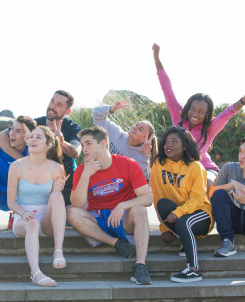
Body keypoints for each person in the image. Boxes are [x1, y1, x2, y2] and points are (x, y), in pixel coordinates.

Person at [152, 43, 245, 193]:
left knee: (206, 181)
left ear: (207, 114)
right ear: (188, 107)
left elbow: (228, 113)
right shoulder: (178, 117)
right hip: (179, 170)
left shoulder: (211, 128)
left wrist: (243, 100)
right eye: (193, 109)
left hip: (205, 169)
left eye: (201, 112)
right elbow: (167, 89)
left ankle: (207, 215)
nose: (195, 114)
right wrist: (157, 58)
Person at [66, 126, 153, 285]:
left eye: (88, 144)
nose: (84, 149)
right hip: (98, 219)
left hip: (123, 219)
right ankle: (116, 243)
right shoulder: (81, 170)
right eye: (82, 145)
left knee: (140, 210)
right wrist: (86, 174)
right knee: (70, 213)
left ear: (103, 143)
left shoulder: (128, 164)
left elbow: (147, 198)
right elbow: (76, 204)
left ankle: (140, 266)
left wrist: (123, 206)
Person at [0, 90, 81, 208]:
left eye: (59, 104)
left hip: (63, 183)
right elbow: (0, 137)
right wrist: (23, 160)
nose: (52, 106)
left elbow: (76, 152)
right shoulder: (35, 123)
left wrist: (61, 142)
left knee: (68, 215)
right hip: (36, 183)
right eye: (52, 101)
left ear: (67, 111)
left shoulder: (72, 127)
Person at [7, 125, 68, 287]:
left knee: (57, 195)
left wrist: (58, 189)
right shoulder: (16, 166)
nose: (32, 139)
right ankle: (35, 273)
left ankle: (58, 251)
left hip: (47, 220)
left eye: (38, 137)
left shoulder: (57, 167)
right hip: (23, 218)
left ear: (49, 145)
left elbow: (55, 200)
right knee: (33, 222)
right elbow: (11, 202)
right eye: (32, 136)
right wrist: (23, 212)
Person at [151, 127, 214, 283]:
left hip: (201, 214)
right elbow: (158, 195)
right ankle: (185, 238)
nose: (168, 145)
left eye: (174, 141)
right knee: (162, 203)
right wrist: (164, 227)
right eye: (166, 142)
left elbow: (198, 199)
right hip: (177, 215)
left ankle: (194, 270)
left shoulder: (196, 167)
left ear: (185, 145)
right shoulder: (159, 164)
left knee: (184, 221)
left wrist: (179, 213)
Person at [92, 100, 158, 180]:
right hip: (98, 179)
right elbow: (96, 113)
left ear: (144, 139)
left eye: (140, 129)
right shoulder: (116, 133)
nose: (135, 127)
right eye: (136, 124)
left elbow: (141, 179)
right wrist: (111, 109)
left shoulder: (141, 156)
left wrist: (145, 155)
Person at [210, 138, 245, 257]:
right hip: (232, 220)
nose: (242, 156)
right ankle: (228, 242)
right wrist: (232, 184)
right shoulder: (229, 168)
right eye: (241, 151)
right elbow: (211, 192)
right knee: (219, 194)